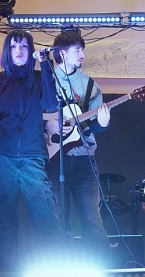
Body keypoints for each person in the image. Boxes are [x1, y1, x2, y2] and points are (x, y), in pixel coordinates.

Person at [0, 30, 60, 270]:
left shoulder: (40, 77)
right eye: (14, 46)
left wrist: (46, 65)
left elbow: (51, 104)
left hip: (32, 156)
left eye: (24, 46)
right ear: (8, 51)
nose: (19, 51)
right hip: (1, 156)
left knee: (46, 217)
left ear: (31, 50)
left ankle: (53, 269)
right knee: (4, 222)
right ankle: (9, 270)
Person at [44, 30, 111, 260]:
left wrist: (103, 123)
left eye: (82, 50)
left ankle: (100, 267)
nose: (82, 54)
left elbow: (94, 125)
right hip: (53, 160)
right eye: (77, 50)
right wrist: (49, 124)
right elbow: (33, 115)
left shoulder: (88, 83)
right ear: (62, 53)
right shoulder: (45, 80)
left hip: (84, 159)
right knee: (58, 221)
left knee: (92, 220)